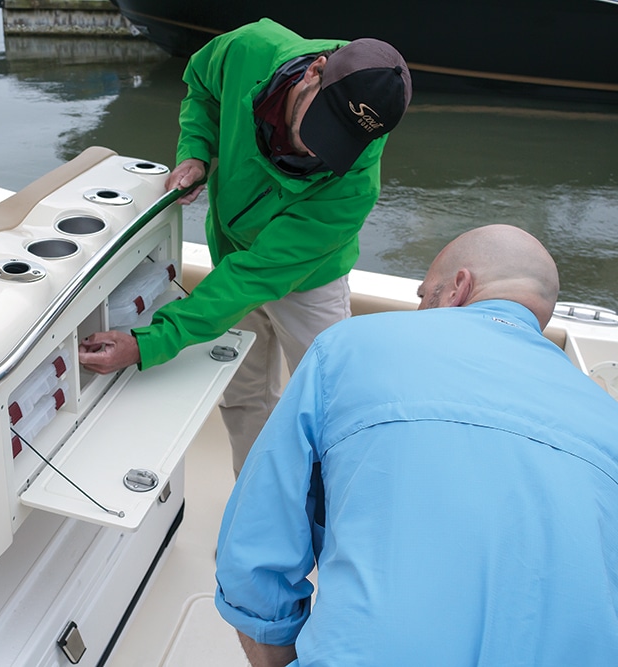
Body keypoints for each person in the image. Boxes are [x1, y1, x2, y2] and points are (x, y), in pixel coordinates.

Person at [214, 224, 618, 666]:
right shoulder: (607, 415)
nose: (421, 307)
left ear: (457, 289)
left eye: (424, 296)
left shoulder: (349, 346)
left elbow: (255, 561)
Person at [78, 19, 413, 476]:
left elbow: (257, 274)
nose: (313, 148)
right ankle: (252, 518)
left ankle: (325, 523)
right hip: (233, 255)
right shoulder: (249, 48)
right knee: (243, 396)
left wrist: (150, 342)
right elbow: (202, 86)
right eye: (320, 124)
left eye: (338, 143)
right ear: (314, 70)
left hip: (308, 281)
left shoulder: (353, 186)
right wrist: (195, 149)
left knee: (333, 408)